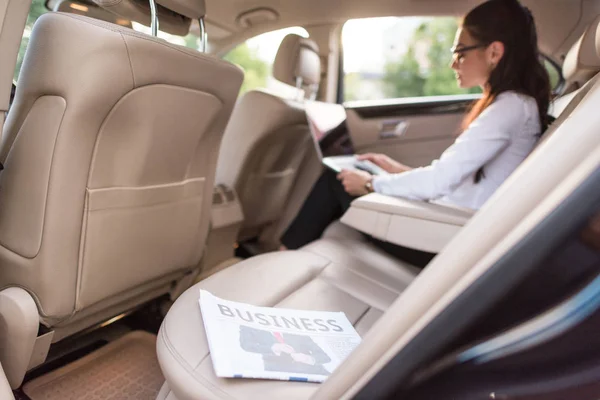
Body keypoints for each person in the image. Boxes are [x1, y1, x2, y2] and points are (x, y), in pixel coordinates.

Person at [281, 0, 551, 267]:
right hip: (450, 223)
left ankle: (282, 260)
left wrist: (370, 184)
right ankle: (291, 258)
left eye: (460, 52)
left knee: (334, 180)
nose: (453, 64)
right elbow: (458, 180)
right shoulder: (515, 106)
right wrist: (396, 170)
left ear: (494, 52)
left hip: (446, 238)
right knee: (348, 177)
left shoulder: (509, 108)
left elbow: (439, 182)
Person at [239, 326, 332, 376]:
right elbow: (246, 345)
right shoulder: (250, 327)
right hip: (281, 373)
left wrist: (308, 358)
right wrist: (273, 347)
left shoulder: (295, 327)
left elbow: (325, 357)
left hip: (315, 373)